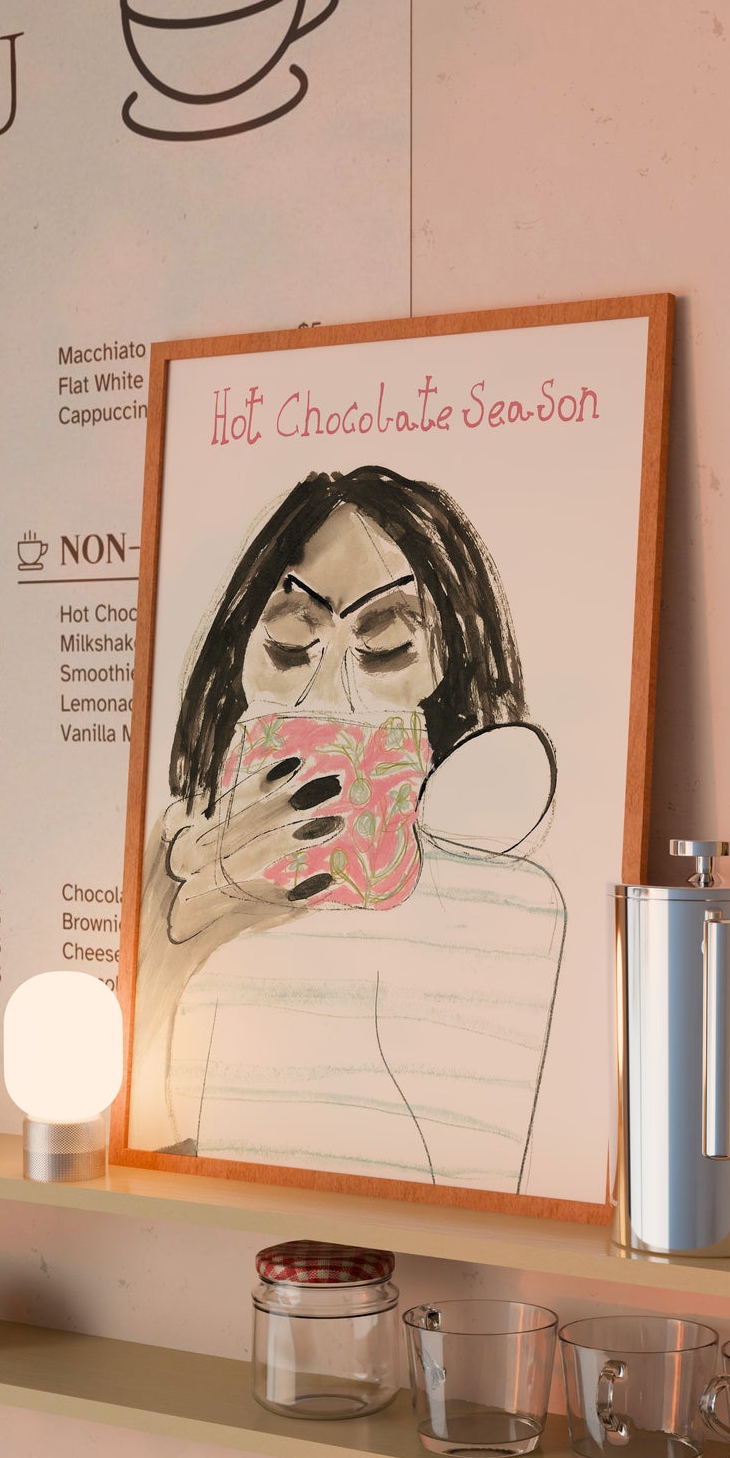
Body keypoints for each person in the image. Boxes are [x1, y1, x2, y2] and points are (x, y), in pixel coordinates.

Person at [131, 464, 564, 1191]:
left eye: (388, 647)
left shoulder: (519, 912)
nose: (328, 695)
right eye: (286, 643)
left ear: (450, 677)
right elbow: (158, 1176)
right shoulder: (178, 884)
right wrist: (157, 979)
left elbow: (484, 1186)